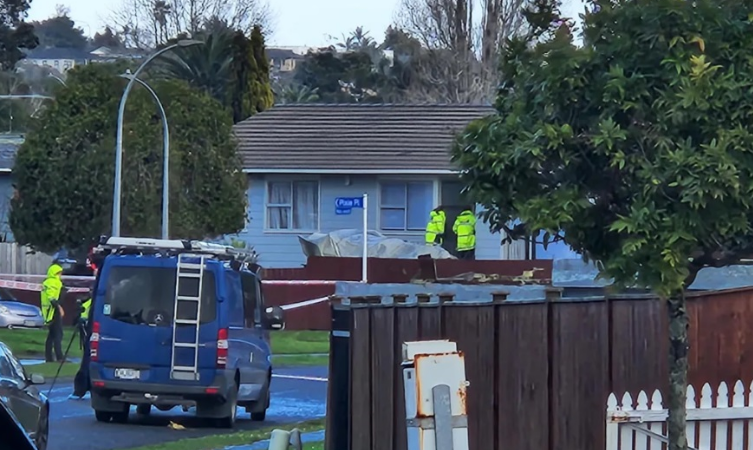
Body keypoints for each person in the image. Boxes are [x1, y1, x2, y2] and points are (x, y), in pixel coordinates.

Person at [41, 262, 65, 362]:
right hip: (53, 311)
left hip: (48, 311)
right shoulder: (53, 282)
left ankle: (49, 357)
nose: (61, 275)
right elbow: (52, 298)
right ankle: (59, 357)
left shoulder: (47, 282)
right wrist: (59, 308)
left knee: (51, 335)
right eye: (59, 273)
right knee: (58, 334)